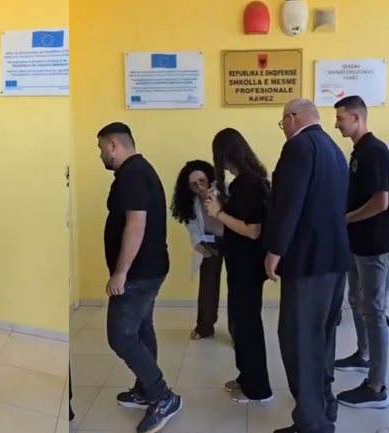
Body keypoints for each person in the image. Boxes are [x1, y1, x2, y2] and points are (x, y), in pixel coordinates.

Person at [266, 98, 350, 433]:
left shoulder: (299, 147)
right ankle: (325, 406)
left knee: (299, 340)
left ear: (292, 118)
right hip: (336, 259)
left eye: (282, 123)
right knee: (322, 338)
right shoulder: (334, 150)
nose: (283, 130)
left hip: (307, 262)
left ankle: (312, 424)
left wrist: (275, 249)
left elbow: (290, 203)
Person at [98, 122, 182, 433]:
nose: (100, 155)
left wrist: (120, 273)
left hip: (138, 272)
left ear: (114, 145)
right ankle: (146, 389)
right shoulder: (139, 170)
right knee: (142, 327)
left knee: (121, 336)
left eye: (101, 149)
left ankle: (162, 396)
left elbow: (136, 225)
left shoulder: (132, 175)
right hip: (149, 268)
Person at [203, 128, 272, 404]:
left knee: (248, 325)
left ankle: (258, 389)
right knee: (241, 323)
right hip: (241, 264)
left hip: (247, 265)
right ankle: (246, 377)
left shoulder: (248, 185)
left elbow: (252, 230)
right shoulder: (245, 182)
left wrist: (218, 212)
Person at [332, 95, 389, 408]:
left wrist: (346, 218)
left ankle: (377, 386)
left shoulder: (376, 151)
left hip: (375, 245)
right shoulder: (358, 152)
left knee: (374, 310)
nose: (336, 124)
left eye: (340, 118)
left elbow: (381, 202)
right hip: (356, 242)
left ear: (356, 117)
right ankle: (363, 354)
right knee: (355, 299)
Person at [171, 160, 225, 340]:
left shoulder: (224, 190)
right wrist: (199, 246)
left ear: (209, 177)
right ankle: (205, 326)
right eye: (194, 185)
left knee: (237, 285)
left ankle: (238, 330)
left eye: (202, 181)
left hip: (233, 239)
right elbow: (193, 228)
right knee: (208, 285)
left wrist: (216, 200)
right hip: (209, 241)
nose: (200, 187)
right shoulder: (191, 202)